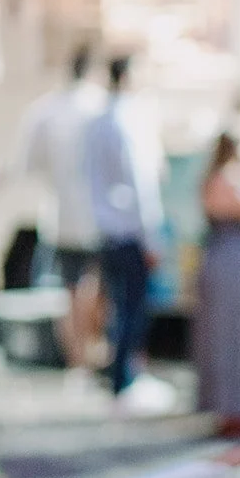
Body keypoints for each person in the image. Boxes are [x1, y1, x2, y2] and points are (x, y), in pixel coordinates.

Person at [84, 55, 173, 413]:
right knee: (132, 310)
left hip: (109, 228)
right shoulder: (129, 121)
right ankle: (125, 380)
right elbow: (142, 183)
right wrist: (152, 236)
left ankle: (122, 377)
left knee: (119, 307)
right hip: (130, 230)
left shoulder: (100, 121)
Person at [15, 43, 106, 379]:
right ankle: (87, 358)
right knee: (91, 289)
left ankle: (79, 362)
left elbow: (27, 165)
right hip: (96, 219)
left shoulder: (48, 110)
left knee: (72, 291)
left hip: (63, 217)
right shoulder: (101, 110)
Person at [192, 133, 240, 438]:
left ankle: (236, 406)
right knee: (233, 334)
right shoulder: (229, 179)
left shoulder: (214, 178)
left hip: (225, 257)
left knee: (231, 334)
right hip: (233, 261)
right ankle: (233, 408)